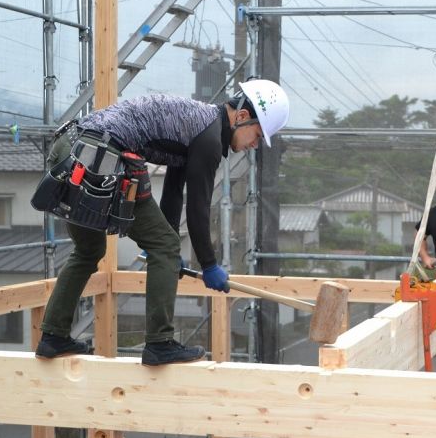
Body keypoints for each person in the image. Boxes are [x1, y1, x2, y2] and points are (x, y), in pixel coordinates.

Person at [35, 80, 289, 366]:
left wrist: (165, 253)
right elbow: (197, 207)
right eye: (256, 135)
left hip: (73, 148)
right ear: (242, 117)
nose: (254, 145)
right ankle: (160, 344)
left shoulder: (197, 126)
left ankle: (52, 337)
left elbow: (173, 190)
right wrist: (207, 264)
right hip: (101, 156)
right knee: (164, 246)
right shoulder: (209, 138)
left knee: (89, 250)